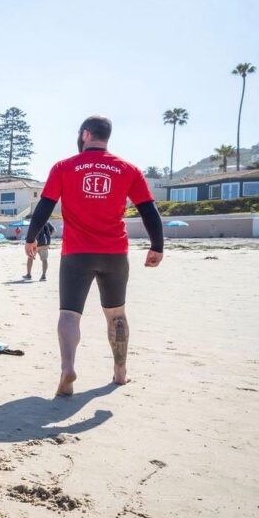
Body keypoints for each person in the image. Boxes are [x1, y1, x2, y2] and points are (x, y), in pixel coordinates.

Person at [24, 115, 164, 397]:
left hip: (77, 253)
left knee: (69, 314)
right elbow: (149, 210)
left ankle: (67, 368)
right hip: (114, 253)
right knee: (116, 314)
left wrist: (31, 238)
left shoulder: (64, 167)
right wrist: (157, 246)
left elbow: (45, 206)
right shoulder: (128, 169)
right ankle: (120, 373)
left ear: (85, 134)